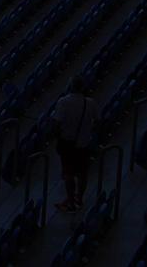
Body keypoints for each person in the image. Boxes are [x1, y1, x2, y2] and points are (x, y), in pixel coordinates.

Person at [50, 80, 101, 215]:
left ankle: (71, 202)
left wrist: (56, 136)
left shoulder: (63, 102)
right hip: (84, 143)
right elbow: (97, 121)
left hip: (67, 142)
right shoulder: (90, 103)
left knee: (68, 173)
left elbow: (56, 124)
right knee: (82, 173)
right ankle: (79, 198)